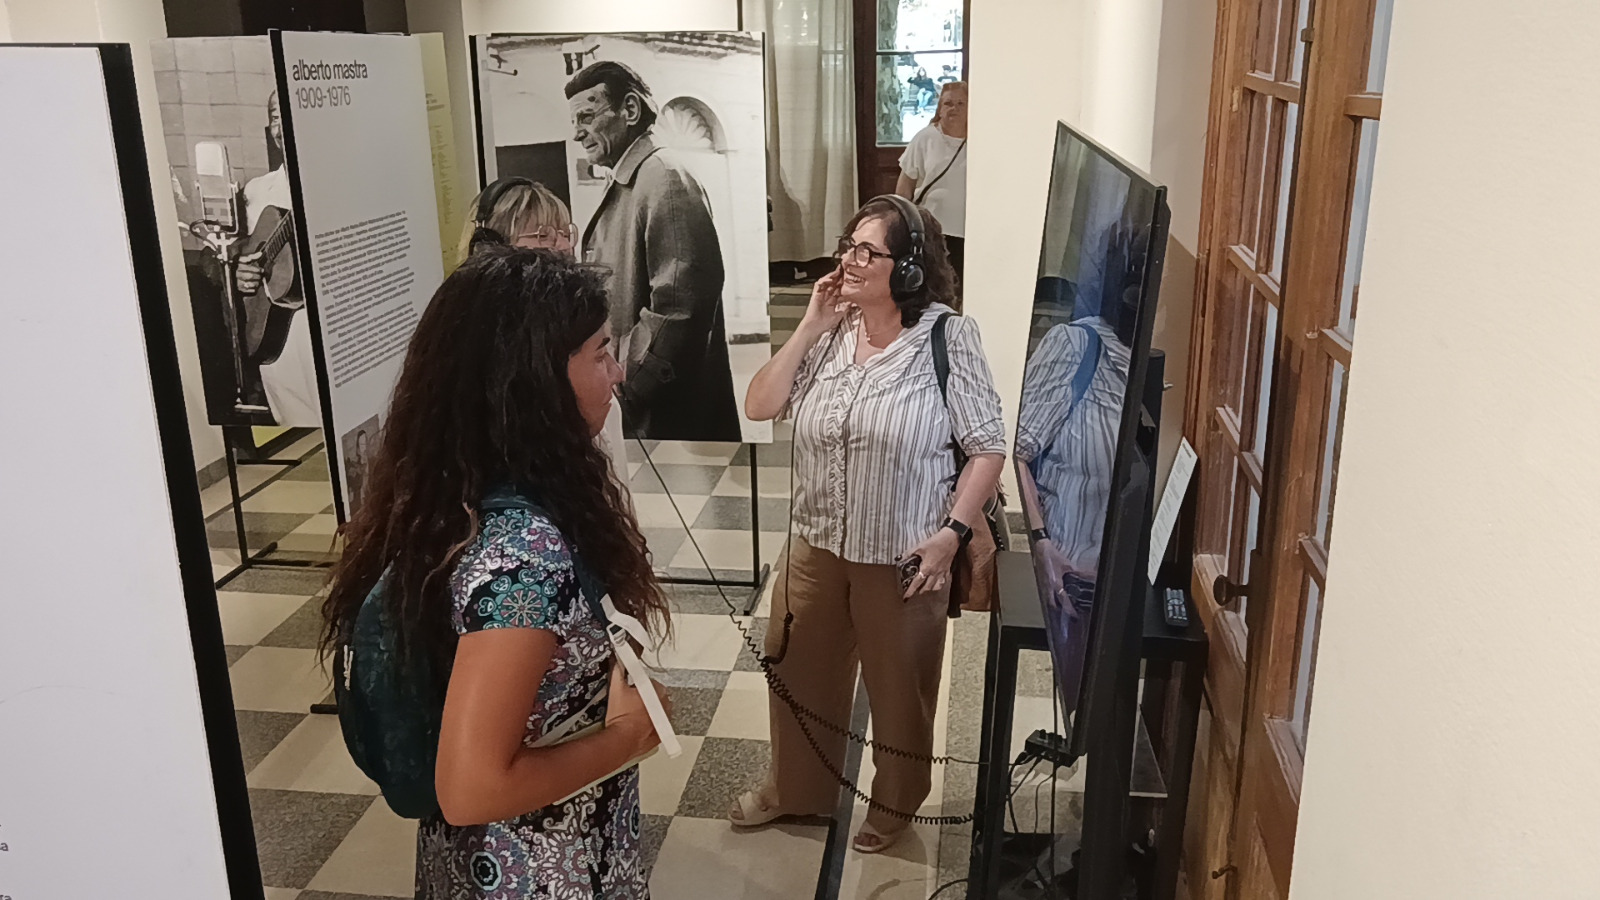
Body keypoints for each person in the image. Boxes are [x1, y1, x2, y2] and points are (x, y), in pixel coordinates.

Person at [320, 247, 672, 899]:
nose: (618, 369)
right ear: (536, 379)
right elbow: (471, 787)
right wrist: (628, 736)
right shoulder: (523, 556)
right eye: (599, 352)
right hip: (536, 875)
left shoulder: (466, 494)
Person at [731, 196, 1006, 853]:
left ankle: (894, 805)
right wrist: (808, 324)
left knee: (900, 687)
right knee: (797, 671)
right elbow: (760, 404)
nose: (847, 262)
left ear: (908, 269)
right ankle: (795, 790)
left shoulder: (948, 338)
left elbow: (988, 447)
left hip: (904, 552)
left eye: (866, 252)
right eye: (846, 246)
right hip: (816, 542)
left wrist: (952, 536)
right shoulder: (832, 326)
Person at [566, 60, 742, 442]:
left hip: (664, 414)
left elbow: (680, 307)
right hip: (643, 406)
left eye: (587, 116)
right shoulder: (639, 177)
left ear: (629, 110)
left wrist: (627, 383)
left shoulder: (663, 176)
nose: (578, 133)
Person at [458, 177, 627, 464]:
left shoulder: (578, 326)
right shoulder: (472, 349)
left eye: (564, 233)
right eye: (543, 235)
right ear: (489, 249)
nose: (562, 246)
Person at [236, 91, 321, 426]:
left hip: (325, 330)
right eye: (274, 116)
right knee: (295, 421)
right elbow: (247, 250)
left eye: (289, 115)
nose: (281, 126)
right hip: (274, 332)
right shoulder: (257, 190)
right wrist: (242, 272)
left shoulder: (331, 181)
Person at [897, 82, 969, 289]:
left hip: (967, 231)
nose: (953, 108)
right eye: (948, 103)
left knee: (962, 288)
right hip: (933, 230)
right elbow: (905, 185)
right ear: (939, 108)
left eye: (960, 103)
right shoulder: (925, 138)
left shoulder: (981, 139)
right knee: (935, 287)